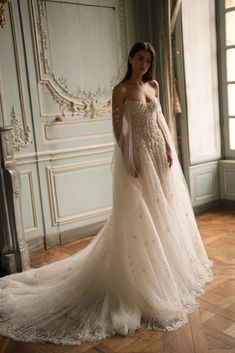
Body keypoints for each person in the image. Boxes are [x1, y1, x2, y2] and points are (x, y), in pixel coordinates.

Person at [0, 42, 212, 346]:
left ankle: (170, 267)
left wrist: (168, 146)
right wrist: (129, 158)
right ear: (130, 59)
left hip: (158, 153)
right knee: (143, 212)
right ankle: (144, 277)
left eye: (148, 59)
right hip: (138, 153)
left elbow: (160, 120)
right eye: (140, 58)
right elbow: (116, 128)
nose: (144, 63)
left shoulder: (153, 85)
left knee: (164, 207)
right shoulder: (121, 90)